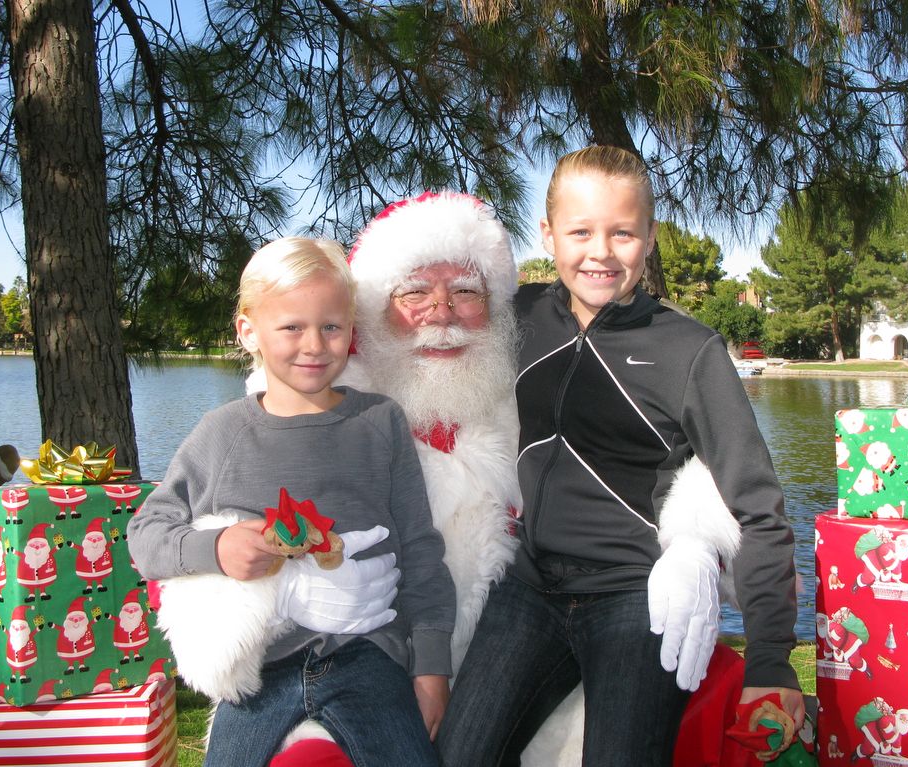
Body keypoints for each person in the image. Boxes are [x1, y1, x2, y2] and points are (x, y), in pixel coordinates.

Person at [262, 191, 742, 766]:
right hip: (366, 663)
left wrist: (695, 541)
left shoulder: (529, 389)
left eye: (465, 291)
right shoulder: (325, 411)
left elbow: (673, 457)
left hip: (532, 639)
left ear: (496, 307)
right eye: (413, 291)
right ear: (372, 310)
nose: (441, 313)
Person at [435, 146, 804, 766]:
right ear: (548, 234)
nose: (600, 252)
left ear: (650, 237)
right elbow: (420, 335)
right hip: (528, 589)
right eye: (580, 231)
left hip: (637, 598)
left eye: (623, 232)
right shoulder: (518, 318)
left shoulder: (690, 350)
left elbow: (759, 509)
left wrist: (772, 660)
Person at [127, 237, 456, 767]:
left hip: (370, 657)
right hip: (262, 668)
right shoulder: (222, 433)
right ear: (248, 332)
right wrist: (218, 548)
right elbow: (145, 537)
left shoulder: (380, 422)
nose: (315, 345)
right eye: (291, 327)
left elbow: (419, 549)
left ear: (352, 330)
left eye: (331, 326)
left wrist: (432, 668)